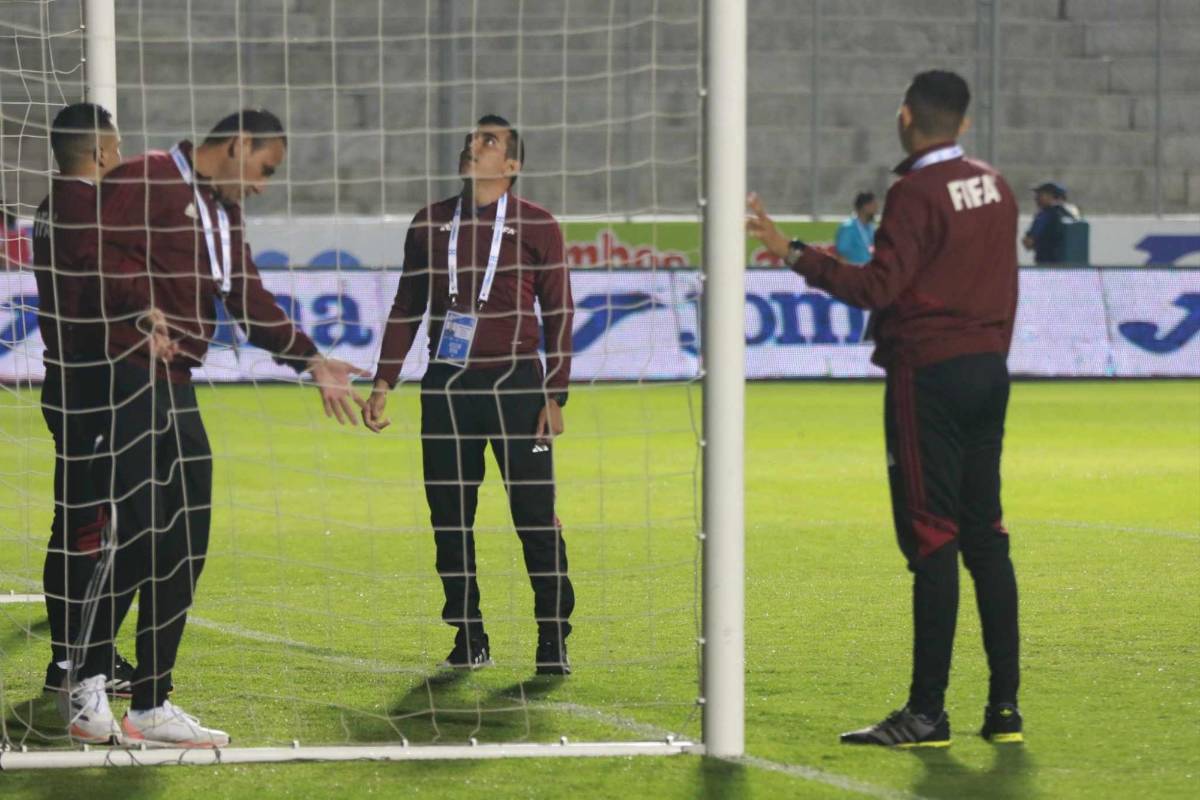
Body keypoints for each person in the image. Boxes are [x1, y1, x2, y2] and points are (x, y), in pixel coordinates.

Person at [60, 109, 367, 747]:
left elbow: (247, 297)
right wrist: (139, 305)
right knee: (143, 535)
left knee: (187, 541)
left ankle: (150, 703)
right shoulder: (145, 177)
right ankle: (87, 685)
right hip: (122, 377)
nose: (263, 184)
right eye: (264, 169)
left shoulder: (225, 216)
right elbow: (87, 259)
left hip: (175, 387)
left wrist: (311, 359)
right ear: (238, 145)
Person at [748, 70, 1023, 748]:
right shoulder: (995, 185)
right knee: (986, 535)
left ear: (905, 118)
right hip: (989, 369)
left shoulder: (915, 192)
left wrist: (793, 253)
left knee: (932, 536)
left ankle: (926, 713)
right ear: (962, 122)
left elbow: (876, 286)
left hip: (928, 373)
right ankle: (1005, 711)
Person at [364, 114, 575, 675]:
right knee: (449, 515)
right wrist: (385, 377)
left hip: (517, 387)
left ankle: (553, 636)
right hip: (448, 384)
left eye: (488, 141)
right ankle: (467, 632)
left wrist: (556, 393)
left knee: (534, 515)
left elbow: (558, 311)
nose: (472, 146)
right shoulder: (430, 222)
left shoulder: (538, 225)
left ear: (512, 166)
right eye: (472, 139)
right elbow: (407, 305)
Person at [31, 103, 140, 705]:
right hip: (95, 386)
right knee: (101, 528)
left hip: (62, 381)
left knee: (72, 522)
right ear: (99, 152)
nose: (119, 158)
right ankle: (85, 664)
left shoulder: (49, 209)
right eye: (117, 148)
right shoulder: (89, 209)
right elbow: (113, 298)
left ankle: (68, 660)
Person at [1021, 181, 1077, 264]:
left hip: (1046, 268)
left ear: (1051, 196)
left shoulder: (1044, 216)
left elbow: (1028, 243)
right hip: (1069, 269)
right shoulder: (1070, 215)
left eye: (1040, 195)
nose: (1036, 198)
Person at [834, 191, 878, 265]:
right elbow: (841, 258)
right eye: (873, 206)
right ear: (865, 207)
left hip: (870, 273)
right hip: (855, 274)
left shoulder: (871, 228)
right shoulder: (848, 228)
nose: (876, 210)